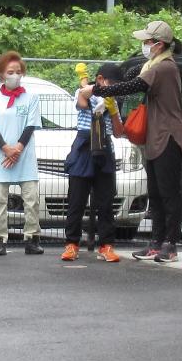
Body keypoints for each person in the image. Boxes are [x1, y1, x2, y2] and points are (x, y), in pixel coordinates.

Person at [96, 19, 182, 262]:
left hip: (169, 136)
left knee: (169, 193)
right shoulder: (153, 64)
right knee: (156, 192)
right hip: (155, 137)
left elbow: (131, 86)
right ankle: (156, 242)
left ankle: (170, 244)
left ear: (159, 44)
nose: (144, 44)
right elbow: (132, 74)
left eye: (147, 41)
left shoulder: (164, 68)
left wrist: (95, 90)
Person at [0, 52, 45, 257]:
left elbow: (31, 124)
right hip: (1, 156)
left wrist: (17, 148)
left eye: (18, 72)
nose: (15, 75)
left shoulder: (31, 97)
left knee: (31, 198)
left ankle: (32, 238)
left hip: (24, 156)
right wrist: (6, 148)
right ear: (0, 74)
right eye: (10, 72)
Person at [63, 63, 123, 263]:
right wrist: (92, 86)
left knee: (105, 202)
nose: (114, 86)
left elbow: (118, 132)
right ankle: (72, 244)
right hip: (83, 149)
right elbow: (81, 101)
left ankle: (106, 245)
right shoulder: (85, 92)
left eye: (116, 84)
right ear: (100, 79)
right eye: (111, 83)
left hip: (104, 150)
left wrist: (113, 109)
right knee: (76, 201)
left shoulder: (113, 100)